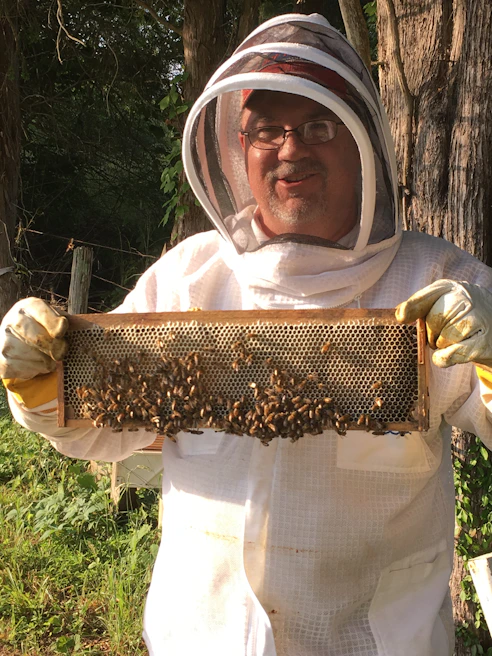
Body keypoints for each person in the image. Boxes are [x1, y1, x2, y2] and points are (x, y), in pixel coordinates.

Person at [2, 13, 492, 656]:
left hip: (372, 641)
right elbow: (102, 428)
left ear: (362, 145)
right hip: (198, 638)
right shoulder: (189, 277)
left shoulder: (438, 281)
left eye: (319, 127)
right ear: (237, 150)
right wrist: (41, 385)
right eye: (268, 131)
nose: (291, 149)